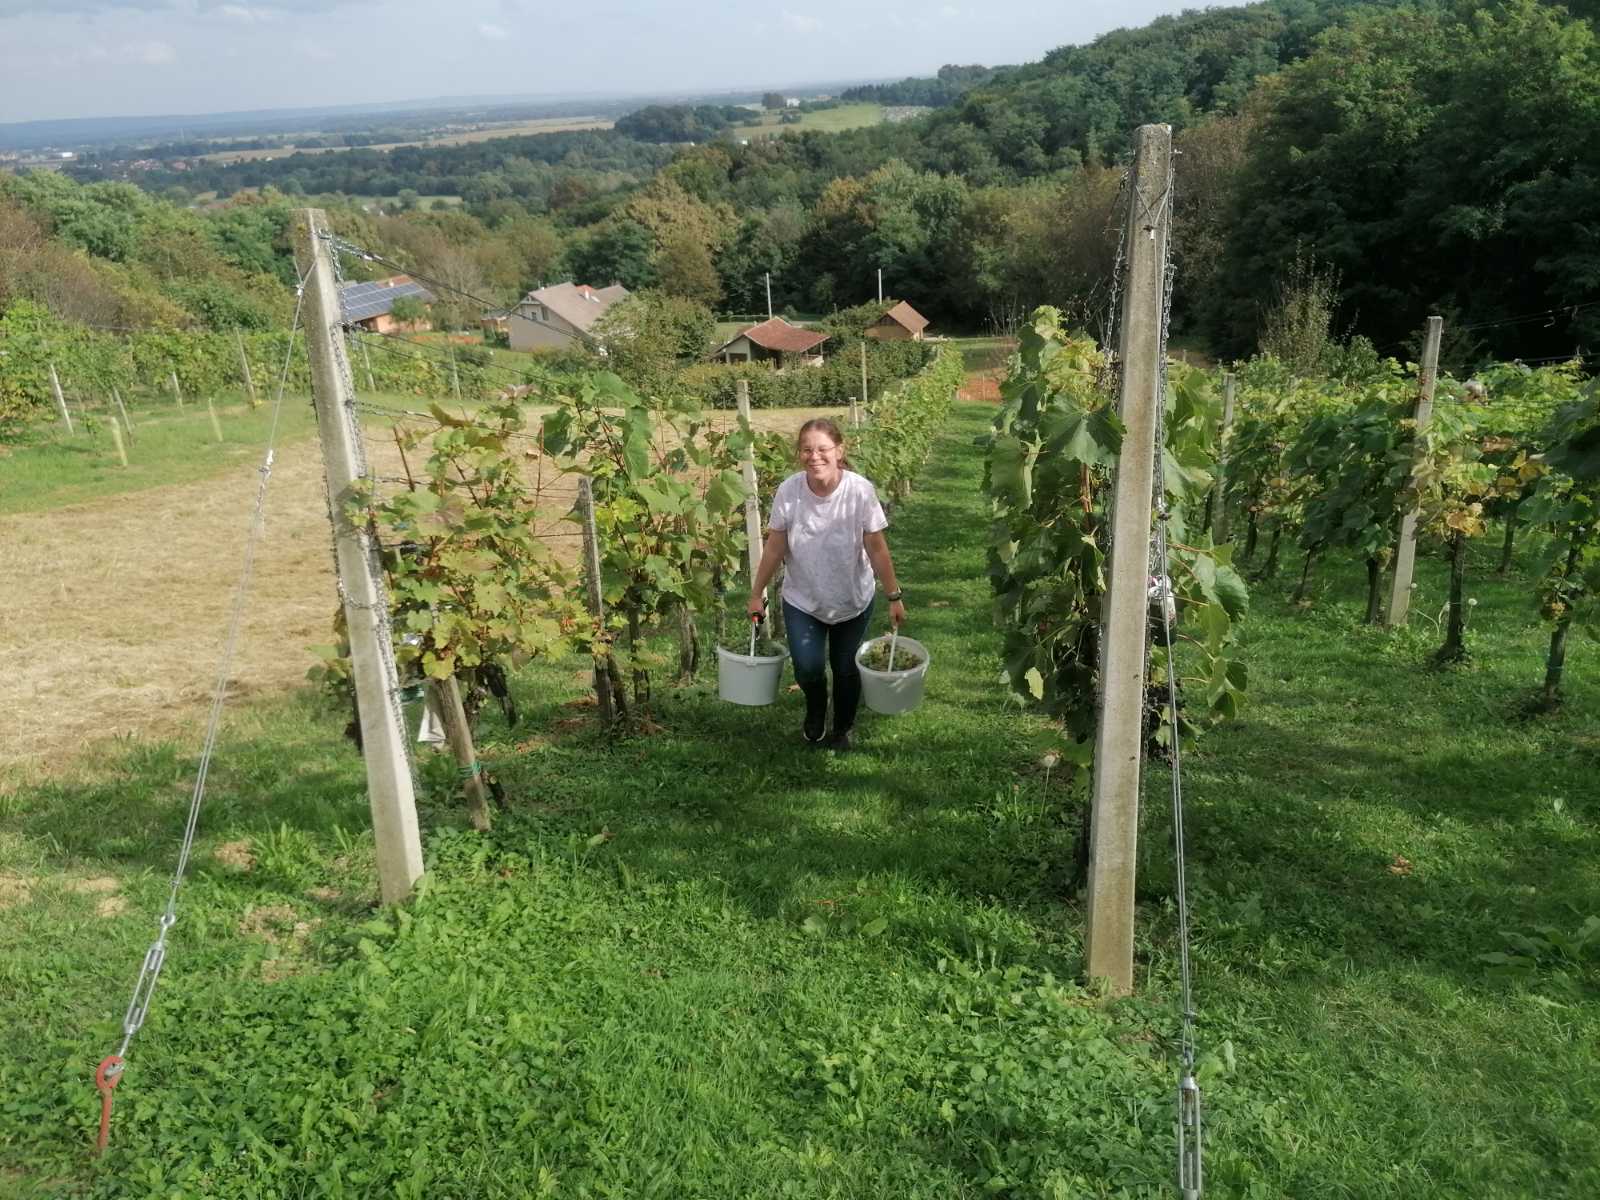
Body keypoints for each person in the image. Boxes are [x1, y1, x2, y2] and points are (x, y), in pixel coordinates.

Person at [747, 418, 906, 750]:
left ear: (839, 451)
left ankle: (843, 728)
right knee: (807, 668)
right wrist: (756, 593)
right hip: (803, 599)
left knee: (846, 670)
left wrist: (893, 595)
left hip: (852, 599)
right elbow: (776, 545)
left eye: (822, 449)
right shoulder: (789, 491)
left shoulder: (859, 490)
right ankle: (816, 708)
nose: (814, 456)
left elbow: (876, 546)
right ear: (799, 454)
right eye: (807, 450)